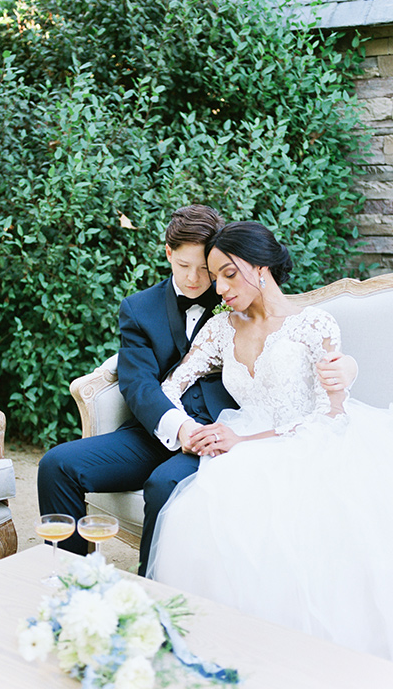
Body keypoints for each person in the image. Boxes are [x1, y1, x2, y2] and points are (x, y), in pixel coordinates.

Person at [37, 207, 356, 576]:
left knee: (164, 483)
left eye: (208, 269)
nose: (199, 280)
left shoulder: (239, 300)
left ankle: (149, 590)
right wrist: (181, 428)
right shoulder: (139, 309)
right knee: (56, 465)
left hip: (225, 431)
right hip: (161, 426)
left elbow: (301, 354)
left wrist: (348, 366)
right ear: (168, 254)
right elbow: (139, 384)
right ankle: (71, 580)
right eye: (185, 266)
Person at [146, 220, 393, 660]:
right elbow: (170, 387)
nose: (218, 288)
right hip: (240, 445)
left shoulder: (314, 323)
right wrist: (191, 430)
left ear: (260, 267)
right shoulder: (222, 329)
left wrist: (245, 441)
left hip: (312, 444)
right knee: (200, 515)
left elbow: (329, 414)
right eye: (215, 275)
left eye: (228, 273)